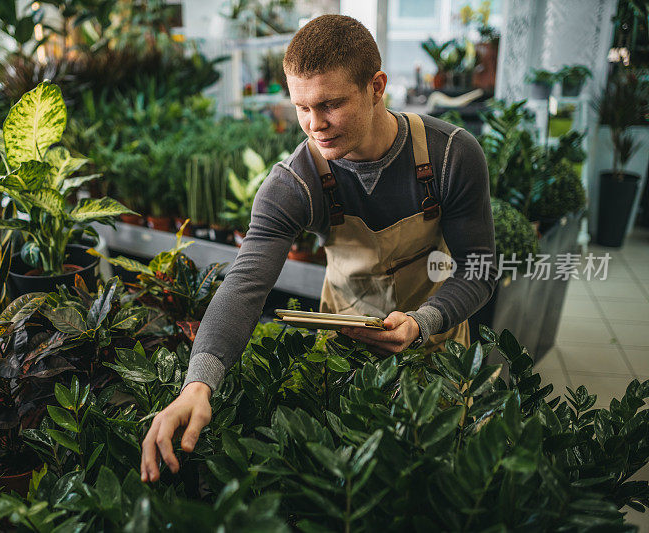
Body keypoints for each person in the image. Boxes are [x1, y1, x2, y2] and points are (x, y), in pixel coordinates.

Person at [140, 14, 497, 483]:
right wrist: (198, 384)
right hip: (344, 353)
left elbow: (479, 270)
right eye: (302, 108)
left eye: (331, 104)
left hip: (438, 342)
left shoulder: (451, 154)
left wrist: (421, 321)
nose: (315, 125)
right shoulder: (294, 182)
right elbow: (245, 283)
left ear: (377, 86)